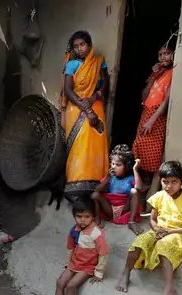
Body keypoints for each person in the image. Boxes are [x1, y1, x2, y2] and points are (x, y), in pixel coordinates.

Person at [116, 161, 182, 295]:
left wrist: (171, 231)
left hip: (179, 233)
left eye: (174, 182)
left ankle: (169, 290)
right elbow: (152, 220)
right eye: (165, 182)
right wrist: (156, 229)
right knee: (139, 242)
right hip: (161, 230)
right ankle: (126, 274)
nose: (169, 186)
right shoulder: (159, 196)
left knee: (164, 248)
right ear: (160, 180)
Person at [59, 30, 110, 196]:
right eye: (76, 46)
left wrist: (94, 97)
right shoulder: (72, 64)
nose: (79, 49)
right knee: (78, 146)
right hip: (76, 107)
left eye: (82, 45)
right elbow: (67, 89)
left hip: (96, 105)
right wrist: (86, 108)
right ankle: (75, 183)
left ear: (89, 45)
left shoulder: (99, 62)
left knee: (94, 144)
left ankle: (97, 183)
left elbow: (105, 83)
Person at [47, 198, 109, 295]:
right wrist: (69, 263)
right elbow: (70, 248)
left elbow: (103, 253)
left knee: (71, 285)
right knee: (60, 282)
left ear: (93, 216)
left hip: (87, 267)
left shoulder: (97, 234)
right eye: (79, 216)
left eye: (87, 216)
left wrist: (99, 272)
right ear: (74, 216)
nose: (82, 220)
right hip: (75, 263)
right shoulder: (74, 231)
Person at [132, 45, 174, 191]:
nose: (163, 57)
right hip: (147, 111)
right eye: (160, 54)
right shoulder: (158, 72)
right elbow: (143, 96)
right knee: (138, 146)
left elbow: (166, 100)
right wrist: (153, 76)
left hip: (157, 116)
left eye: (167, 53)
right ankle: (142, 182)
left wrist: (152, 120)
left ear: (174, 54)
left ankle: (148, 184)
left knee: (153, 152)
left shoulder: (174, 72)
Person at [92, 144, 144, 234]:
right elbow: (96, 190)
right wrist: (107, 179)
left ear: (126, 166)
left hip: (124, 208)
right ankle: (97, 220)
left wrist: (135, 169)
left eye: (118, 165)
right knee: (94, 195)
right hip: (110, 209)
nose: (114, 167)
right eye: (112, 163)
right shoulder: (110, 177)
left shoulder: (131, 178)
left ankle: (131, 222)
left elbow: (139, 188)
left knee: (134, 191)